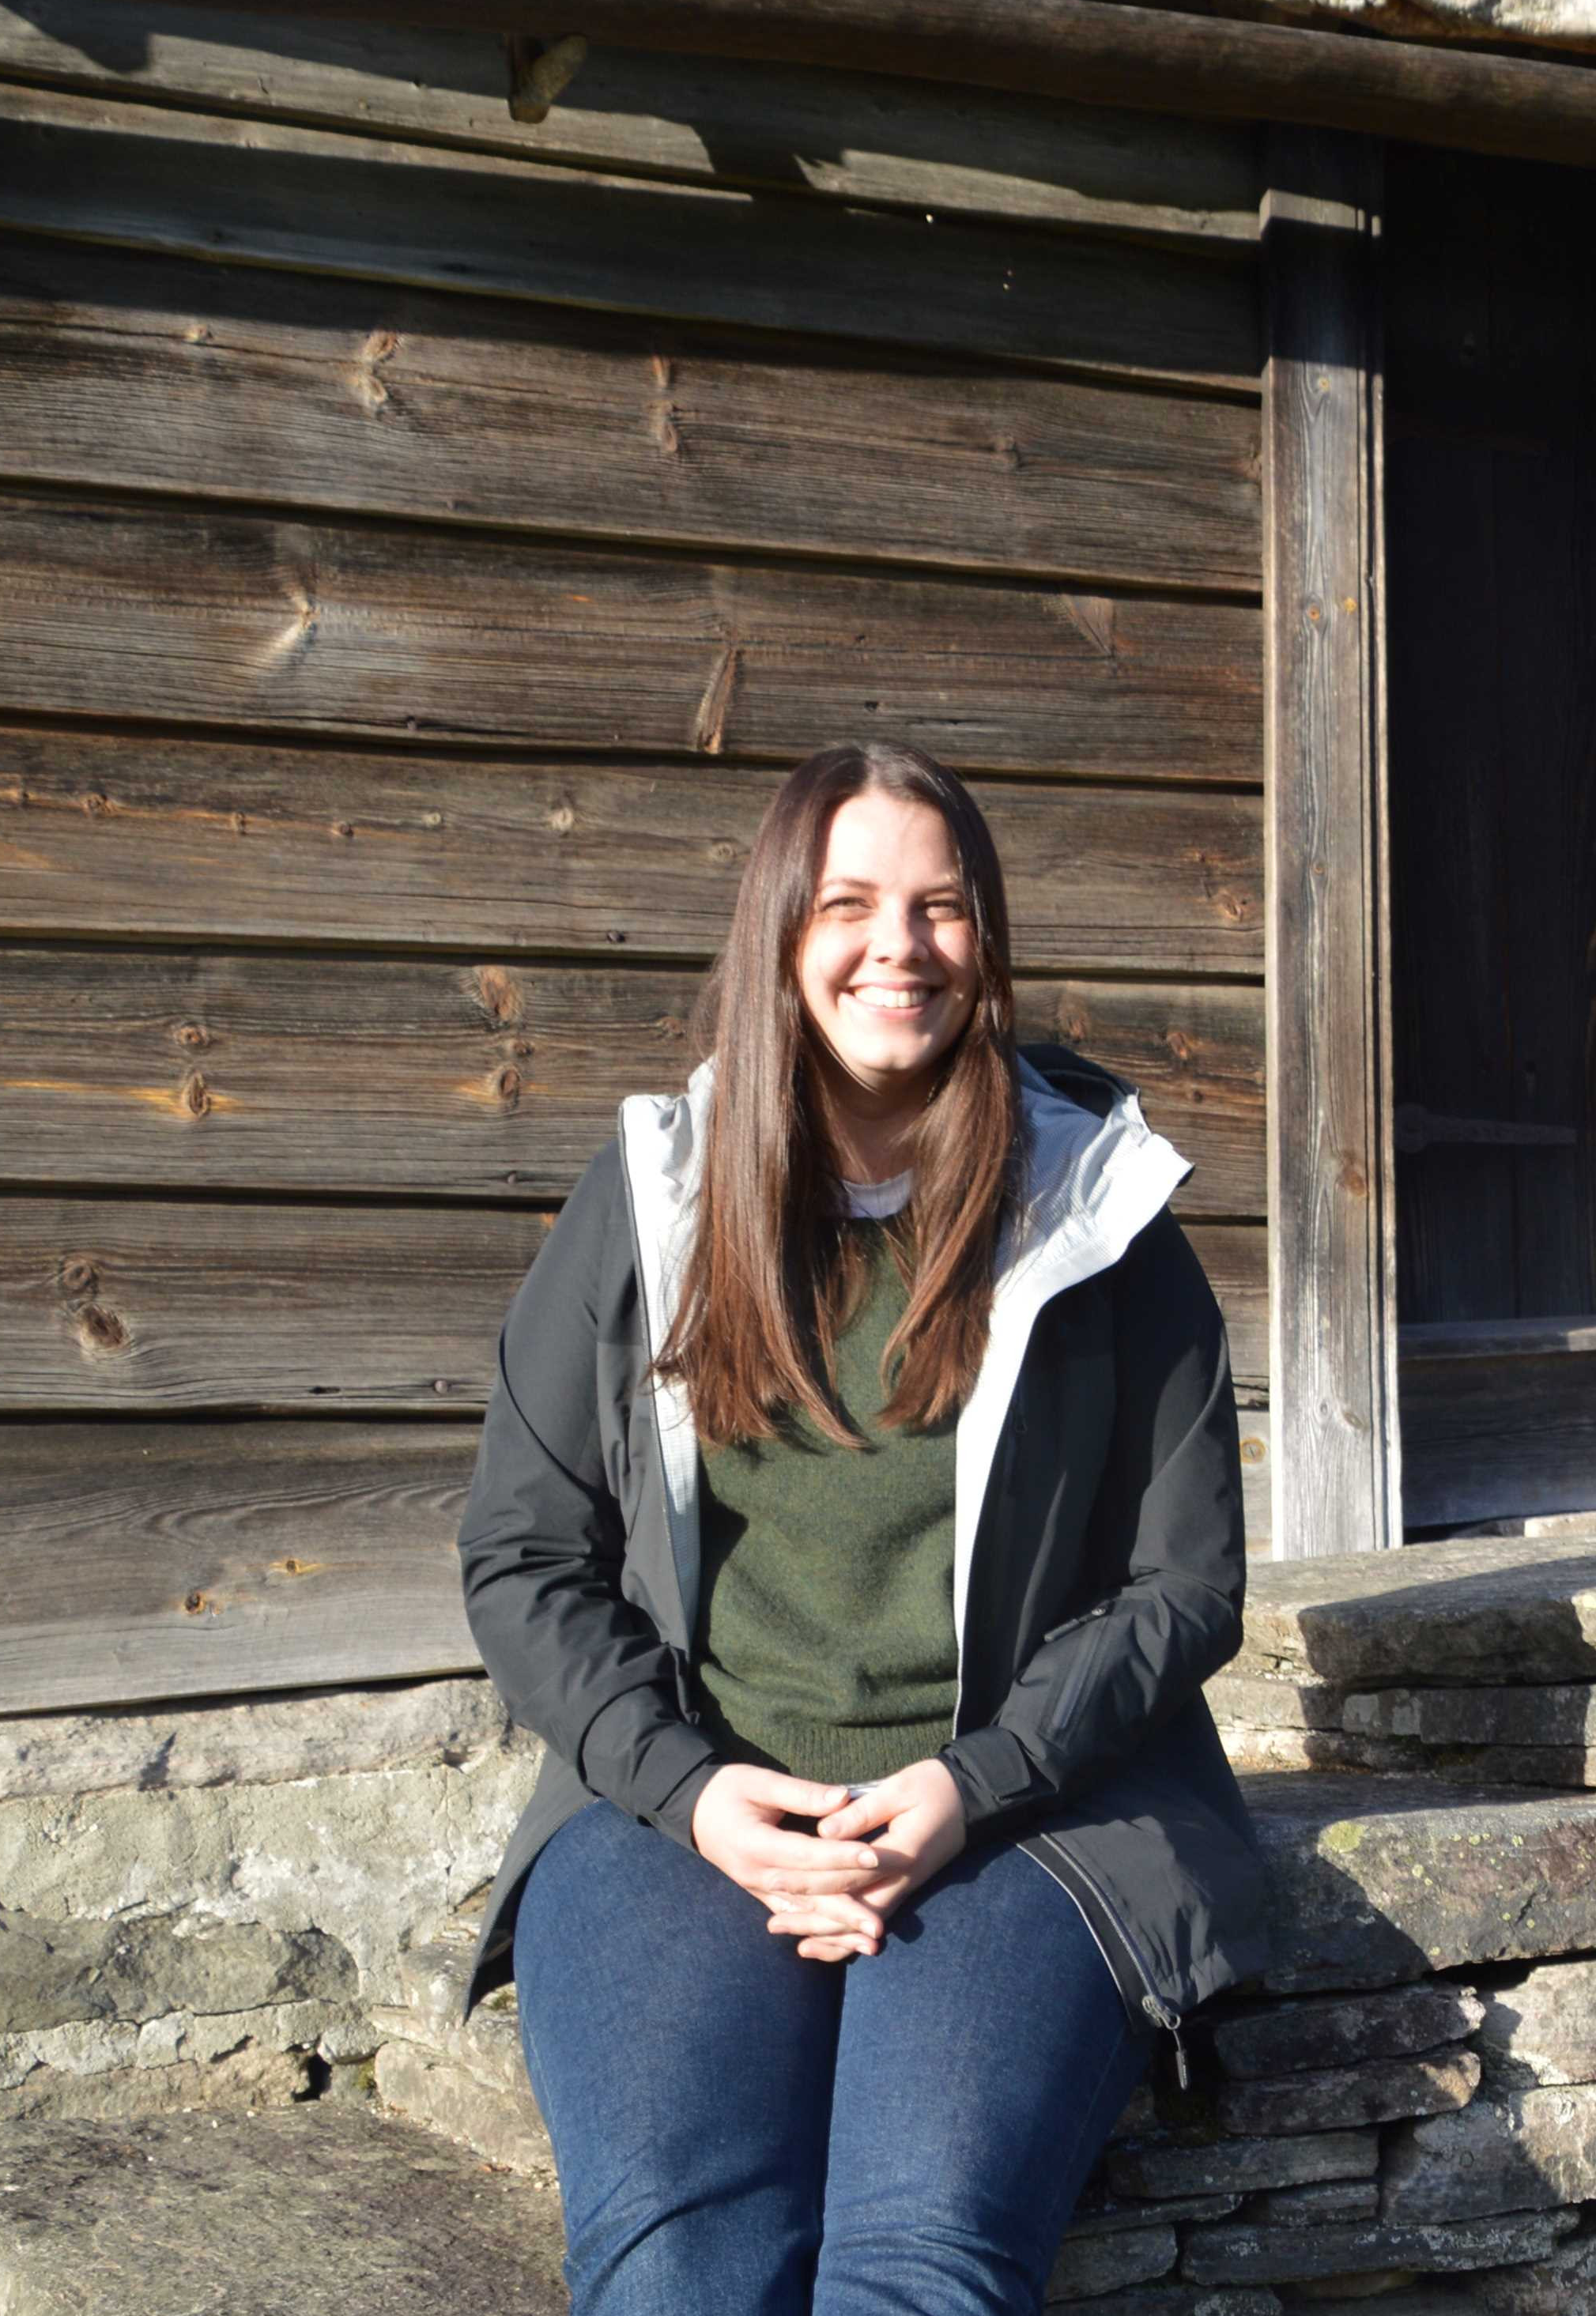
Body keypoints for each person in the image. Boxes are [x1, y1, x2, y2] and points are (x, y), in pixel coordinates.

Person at [457, 741, 1262, 2316]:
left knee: (918, 2265)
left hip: (1025, 1812)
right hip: (693, 1802)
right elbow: (523, 1550)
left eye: (941, 906)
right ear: (779, 931)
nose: (898, 944)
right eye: (849, 902)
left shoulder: (1098, 1209)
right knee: (679, 2261)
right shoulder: (651, 1197)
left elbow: (1187, 1580)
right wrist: (689, 1792)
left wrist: (969, 1788)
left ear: (987, 941)